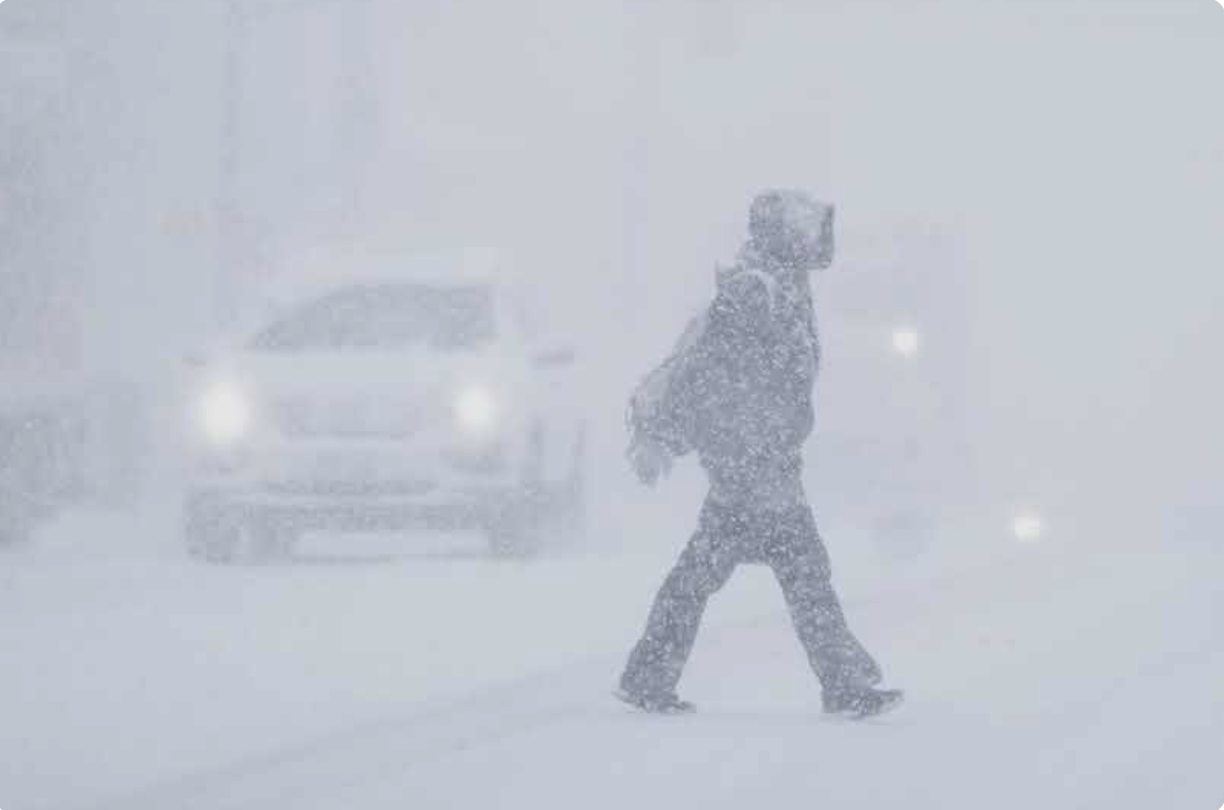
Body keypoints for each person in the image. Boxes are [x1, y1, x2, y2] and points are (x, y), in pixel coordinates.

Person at [615, 190, 903, 718]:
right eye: (808, 229)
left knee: (708, 576)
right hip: (755, 470)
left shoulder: (778, 286)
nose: (819, 241)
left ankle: (648, 676)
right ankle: (843, 685)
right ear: (782, 235)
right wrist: (716, 445)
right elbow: (709, 376)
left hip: (756, 467)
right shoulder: (755, 292)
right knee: (802, 575)